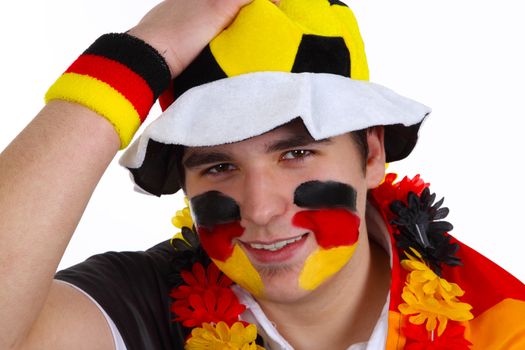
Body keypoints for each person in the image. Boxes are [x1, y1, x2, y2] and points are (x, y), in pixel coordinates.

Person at [0, 1, 524, 350]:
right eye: (220, 165)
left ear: (370, 155)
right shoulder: (138, 305)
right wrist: (141, 52)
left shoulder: (499, 321)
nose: (260, 209)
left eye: (295, 153)